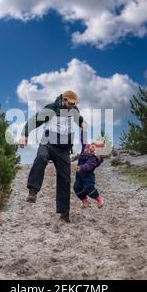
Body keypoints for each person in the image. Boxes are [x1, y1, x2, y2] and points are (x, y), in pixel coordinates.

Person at [19, 90, 87, 223]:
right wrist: (24, 135)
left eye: (74, 105)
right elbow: (34, 121)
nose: (72, 106)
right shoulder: (51, 108)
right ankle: (33, 191)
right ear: (64, 100)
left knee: (65, 179)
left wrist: (83, 125)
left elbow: (80, 120)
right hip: (48, 144)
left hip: (63, 150)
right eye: (70, 104)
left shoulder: (73, 110)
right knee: (41, 157)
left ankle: (64, 214)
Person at [74, 143, 104, 209]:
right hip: (79, 177)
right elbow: (83, 141)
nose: (91, 148)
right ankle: (85, 201)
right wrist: (83, 132)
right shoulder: (83, 153)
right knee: (76, 187)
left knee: (88, 188)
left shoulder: (93, 158)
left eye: (94, 148)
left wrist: (81, 168)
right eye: (91, 146)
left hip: (88, 177)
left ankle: (98, 198)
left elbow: (88, 165)